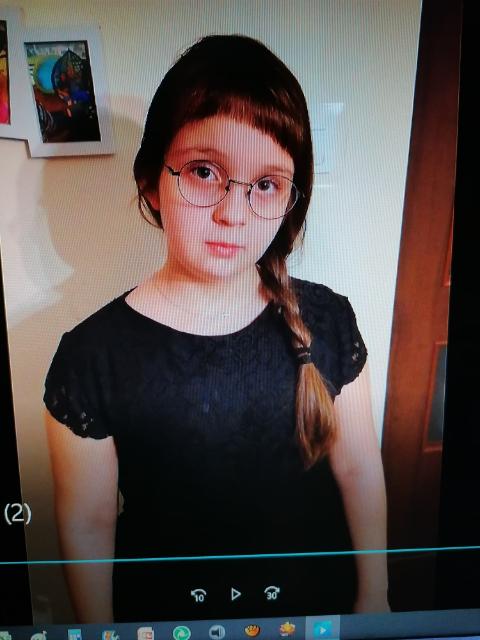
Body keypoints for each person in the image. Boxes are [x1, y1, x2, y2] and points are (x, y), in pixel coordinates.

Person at [44, 34, 389, 623]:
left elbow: (358, 470)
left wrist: (375, 596)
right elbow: (89, 522)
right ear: (151, 181)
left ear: (291, 199)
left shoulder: (327, 319)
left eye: (266, 184)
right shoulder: (90, 358)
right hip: (170, 622)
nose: (234, 213)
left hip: (316, 613)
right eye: (205, 171)